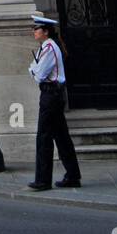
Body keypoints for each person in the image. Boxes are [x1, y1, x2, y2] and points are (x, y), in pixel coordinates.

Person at [27, 13, 82, 191]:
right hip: (54, 95)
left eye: (36, 28)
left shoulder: (49, 47)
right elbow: (36, 70)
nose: (33, 31)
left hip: (51, 95)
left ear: (45, 31)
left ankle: (43, 180)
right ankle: (73, 175)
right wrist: (34, 69)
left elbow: (39, 75)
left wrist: (33, 70)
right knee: (61, 136)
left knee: (44, 136)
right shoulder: (47, 46)